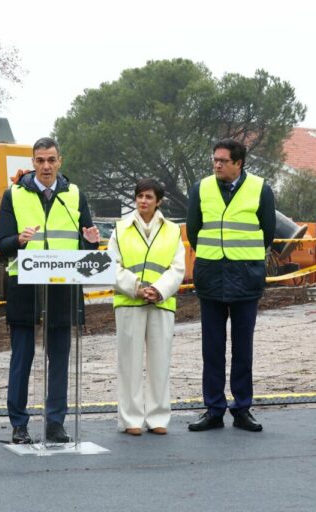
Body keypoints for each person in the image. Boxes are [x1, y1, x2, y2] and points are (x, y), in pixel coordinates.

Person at [0, 137, 100, 444]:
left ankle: (56, 423)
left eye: (51, 160)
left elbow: (87, 244)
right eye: (40, 160)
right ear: (32, 162)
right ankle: (19, 424)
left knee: (60, 359)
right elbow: (2, 245)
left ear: (60, 162)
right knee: (22, 358)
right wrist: (19, 240)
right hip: (25, 287)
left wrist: (92, 242)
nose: (46, 166)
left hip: (62, 288)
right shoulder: (13, 195)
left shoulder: (74, 195)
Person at [186, 139, 275, 433]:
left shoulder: (260, 189)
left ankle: (242, 408)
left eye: (223, 161)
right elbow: (194, 230)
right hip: (211, 276)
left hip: (245, 277)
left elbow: (267, 232)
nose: (217, 165)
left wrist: (243, 258)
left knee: (242, 348)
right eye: (215, 160)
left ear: (239, 163)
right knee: (211, 349)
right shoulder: (200, 189)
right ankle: (213, 409)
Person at [110, 178, 185, 436]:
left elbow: (177, 267)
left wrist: (159, 290)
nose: (143, 201)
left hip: (161, 302)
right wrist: (136, 288)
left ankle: (158, 417)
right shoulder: (120, 229)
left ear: (159, 201)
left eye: (149, 197)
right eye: (140, 196)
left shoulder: (172, 231)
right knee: (129, 362)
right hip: (129, 301)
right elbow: (112, 265)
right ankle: (130, 419)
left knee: (160, 362)